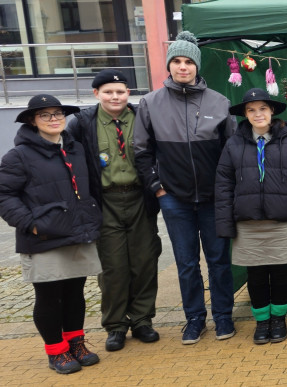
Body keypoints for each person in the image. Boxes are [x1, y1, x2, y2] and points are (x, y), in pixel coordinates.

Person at [134, 31, 238, 344]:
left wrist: (226, 191)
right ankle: (194, 320)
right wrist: (158, 188)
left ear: (197, 66)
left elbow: (231, 153)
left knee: (219, 261)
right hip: (174, 199)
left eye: (188, 61)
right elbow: (141, 152)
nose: (183, 67)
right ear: (169, 65)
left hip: (212, 199)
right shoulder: (151, 103)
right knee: (186, 264)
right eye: (177, 61)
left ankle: (223, 317)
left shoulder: (219, 102)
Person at [0, 95, 101, 373]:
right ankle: (56, 351)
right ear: (33, 121)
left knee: (75, 293)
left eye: (57, 113)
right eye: (45, 115)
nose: (54, 119)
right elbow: (5, 194)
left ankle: (76, 342)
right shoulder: (18, 156)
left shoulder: (76, 149)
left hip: (77, 233)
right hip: (43, 238)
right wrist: (30, 223)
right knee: (49, 296)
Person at [65, 69, 162, 352]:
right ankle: (116, 325)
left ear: (128, 93)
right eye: (108, 92)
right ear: (97, 94)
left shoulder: (143, 119)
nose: (115, 96)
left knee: (145, 261)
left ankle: (143, 319)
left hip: (139, 199)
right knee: (112, 267)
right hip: (104, 201)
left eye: (120, 91)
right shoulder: (82, 124)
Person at [216, 88, 287, 343]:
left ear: (271, 111)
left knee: (281, 273)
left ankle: (279, 319)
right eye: (251, 110)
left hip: (281, 222)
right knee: (256, 276)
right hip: (247, 224)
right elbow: (223, 185)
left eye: (262, 108)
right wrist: (226, 224)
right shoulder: (233, 143)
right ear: (245, 115)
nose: (257, 114)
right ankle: (262, 322)